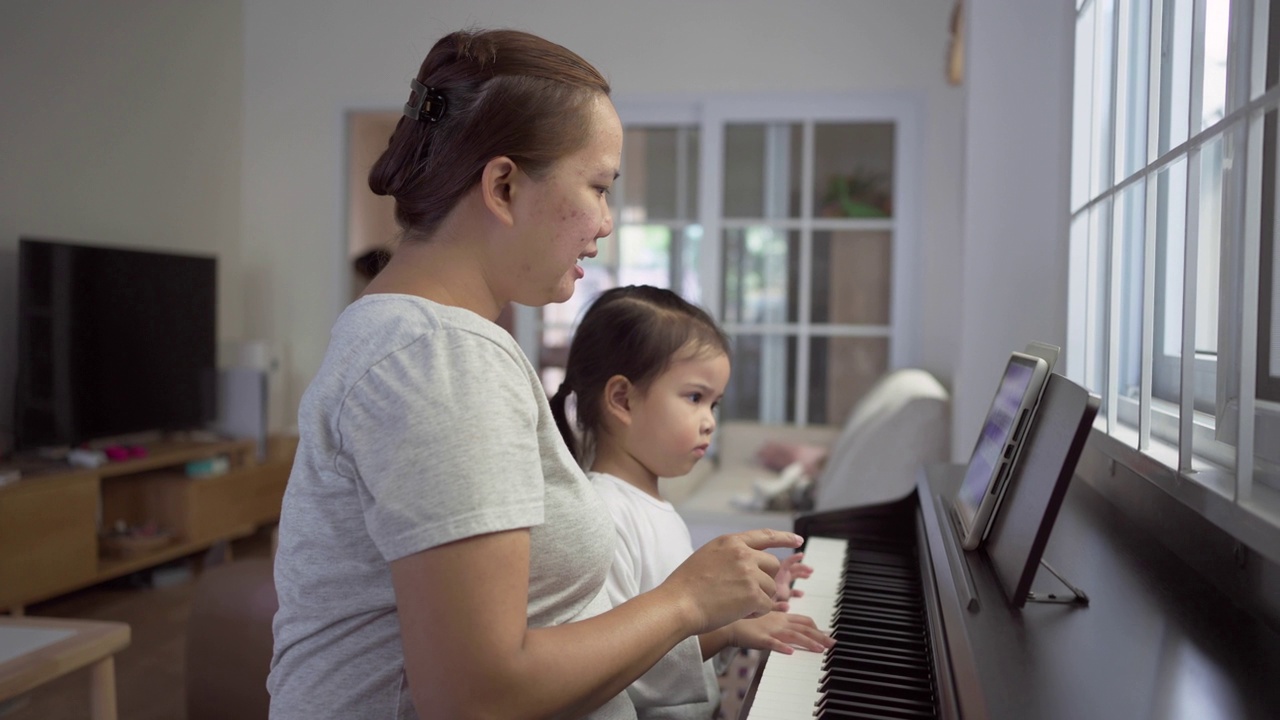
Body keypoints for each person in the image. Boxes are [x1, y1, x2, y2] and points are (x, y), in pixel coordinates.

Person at [267, 29, 804, 720]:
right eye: (599, 187)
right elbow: (476, 696)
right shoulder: (440, 357)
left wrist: (709, 618)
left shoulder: (418, 336)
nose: (606, 223)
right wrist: (686, 600)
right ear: (504, 185)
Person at [550, 285, 834, 719]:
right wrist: (732, 629)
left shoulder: (652, 502)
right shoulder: (603, 513)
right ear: (623, 400)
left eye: (715, 404)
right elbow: (618, 670)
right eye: (695, 398)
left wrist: (748, 603)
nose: (710, 423)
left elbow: (689, 649)